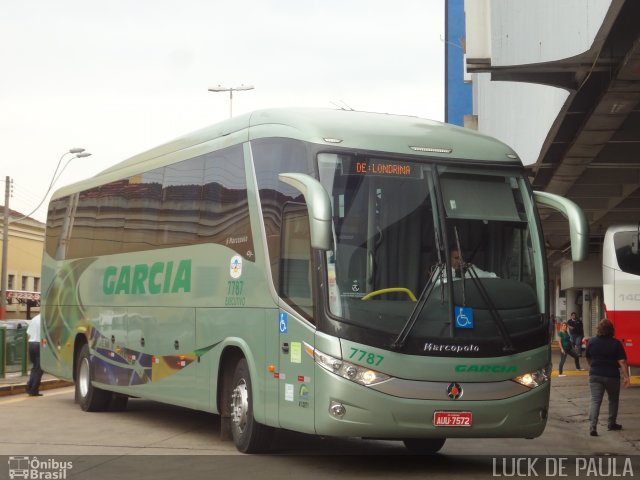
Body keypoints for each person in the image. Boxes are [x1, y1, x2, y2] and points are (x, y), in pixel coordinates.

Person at [586, 318, 630, 436]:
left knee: (595, 400)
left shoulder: (592, 341)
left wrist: (593, 367)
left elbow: (588, 357)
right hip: (612, 376)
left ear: (598, 329)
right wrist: (626, 377)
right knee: (613, 400)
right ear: (611, 330)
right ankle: (611, 423)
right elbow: (622, 361)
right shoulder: (616, 343)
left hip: (595, 375)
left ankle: (593, 426)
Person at [26, 313, 43, 397]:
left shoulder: (34, 318)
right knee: (39, 368)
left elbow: (28, 334)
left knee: (34, 367)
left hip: (31, 344)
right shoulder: (45, 319)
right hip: (40, 345)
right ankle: (33, 390)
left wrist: (27, 348)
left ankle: (29, 387)